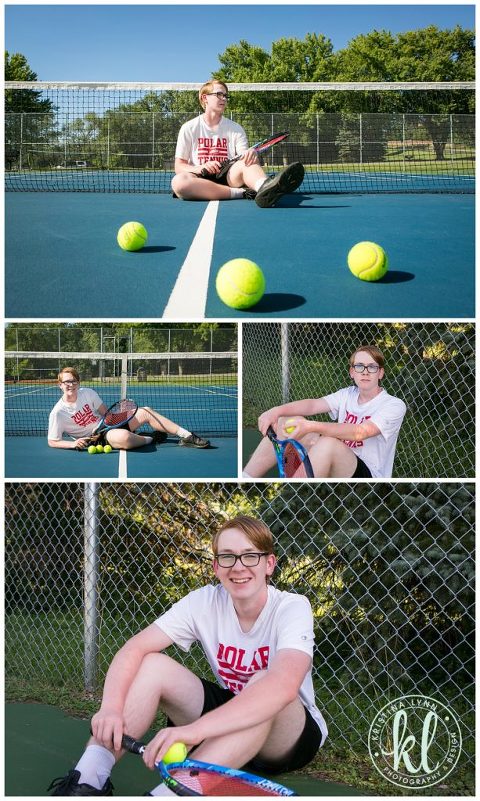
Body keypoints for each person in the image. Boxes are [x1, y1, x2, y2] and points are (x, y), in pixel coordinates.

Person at [48, 515, 327, 796]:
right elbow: (133, 648)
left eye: (250, 556)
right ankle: (86, 781)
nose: (238, 566)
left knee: (265, 683)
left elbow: (282, 686)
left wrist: (195, 731)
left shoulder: (292, 607)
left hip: (287, 736)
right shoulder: (204, 601)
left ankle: (168, 794)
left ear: (269, 564)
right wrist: (109, 707)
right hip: (229, 716)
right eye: (227, 557)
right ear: (217, 567)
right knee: (152, 664)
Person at [243, 346, 407, 479]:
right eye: (359, 366)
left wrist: (311, 426)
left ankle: (295, 492)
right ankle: (246, 476)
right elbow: (312, 405)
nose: (365, 371)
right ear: (352, 373)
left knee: (328, 443)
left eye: (372, 367)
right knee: (286, 421)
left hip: (367, 474)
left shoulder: (393, 405)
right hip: (336, 458)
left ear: (381, 373)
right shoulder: (347, 394)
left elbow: (362, 432)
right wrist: (275, 411)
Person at [171, 79, 305, 208]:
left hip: (228, 175)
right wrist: (199, 168)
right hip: (199, 178)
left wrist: (249, 154)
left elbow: (243, 156)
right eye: (219, 94)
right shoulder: (189, 127)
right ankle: (241, 193)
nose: (224, 98)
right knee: (179, 182)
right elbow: (179, 166)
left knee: (248, 163)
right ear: (205, 98)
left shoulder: (235, 128)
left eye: (225, 95)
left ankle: (266, 188)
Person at [48, 367, 210, 450]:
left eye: (74, 381)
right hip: (96, 438)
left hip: (107, 424)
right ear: (60, 385)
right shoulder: (58, 412)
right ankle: (151, 438)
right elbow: (52, 441)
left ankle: (187, 436)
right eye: (67, 382)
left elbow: (106, 414)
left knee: (146, 411)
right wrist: (73, 444)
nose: (71, 385)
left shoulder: (88, 393)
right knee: (125, 438)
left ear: (78, 383)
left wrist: (120, 415)